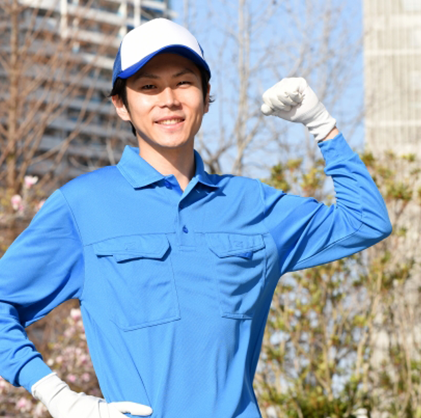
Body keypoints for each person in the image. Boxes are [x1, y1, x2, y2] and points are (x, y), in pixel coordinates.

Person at [0, 18, 392, 418]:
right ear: (120, 105)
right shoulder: (83, 205)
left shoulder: (250, 203)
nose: (169, 99)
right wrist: (57, 395)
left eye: (184, 83)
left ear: (206, 98)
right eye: (148, 87)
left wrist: (322, 125)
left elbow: (366, 220)